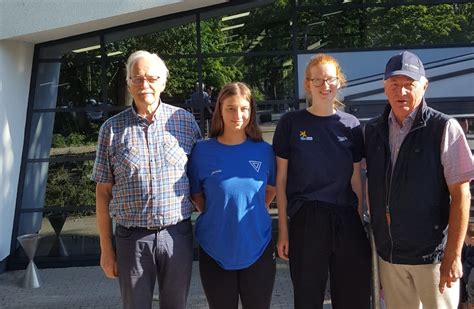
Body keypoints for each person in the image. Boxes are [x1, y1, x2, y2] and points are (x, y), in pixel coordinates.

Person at [91, 50, 201, 309]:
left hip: (177, 235)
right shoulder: (111, 129)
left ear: (163, 82)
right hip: (131, 241)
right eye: (137, 78)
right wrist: (106, 249)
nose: (145, 85)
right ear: (129, 83)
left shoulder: (184, 122)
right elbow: (103, 193)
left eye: (152, 78)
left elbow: (201, 181)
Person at [364, 50, 474, 308]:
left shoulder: (445, 128)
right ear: (384, 88)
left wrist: (453, 255)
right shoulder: (373, 130)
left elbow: (461, 195)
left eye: (408, 85)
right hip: (391, 257)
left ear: (424, 86)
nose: (401, 92)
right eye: (394, 85)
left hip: (434, 259)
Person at [272, 53, 371, 309]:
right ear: (307, 84)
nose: (325, 86)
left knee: (354, 297)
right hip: (307, 219)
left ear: (339, 82)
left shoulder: (350, 125)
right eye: (318, 80)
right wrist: (283, 230)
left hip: (346, 218)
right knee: (308, 298)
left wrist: (358, 220)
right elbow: (280, 181)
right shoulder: (291, 123)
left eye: (330, 80)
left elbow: (355, 179)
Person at [187, 82, 277, 309]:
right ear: (220, 110)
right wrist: (221, 211)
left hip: (257, 247)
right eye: (231, 108)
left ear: (251, 111)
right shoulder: (201, 151)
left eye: (244, 108)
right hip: (215, 248)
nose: (238, 115)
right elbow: (197, 196)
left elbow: (270, 191)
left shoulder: (264, 151)